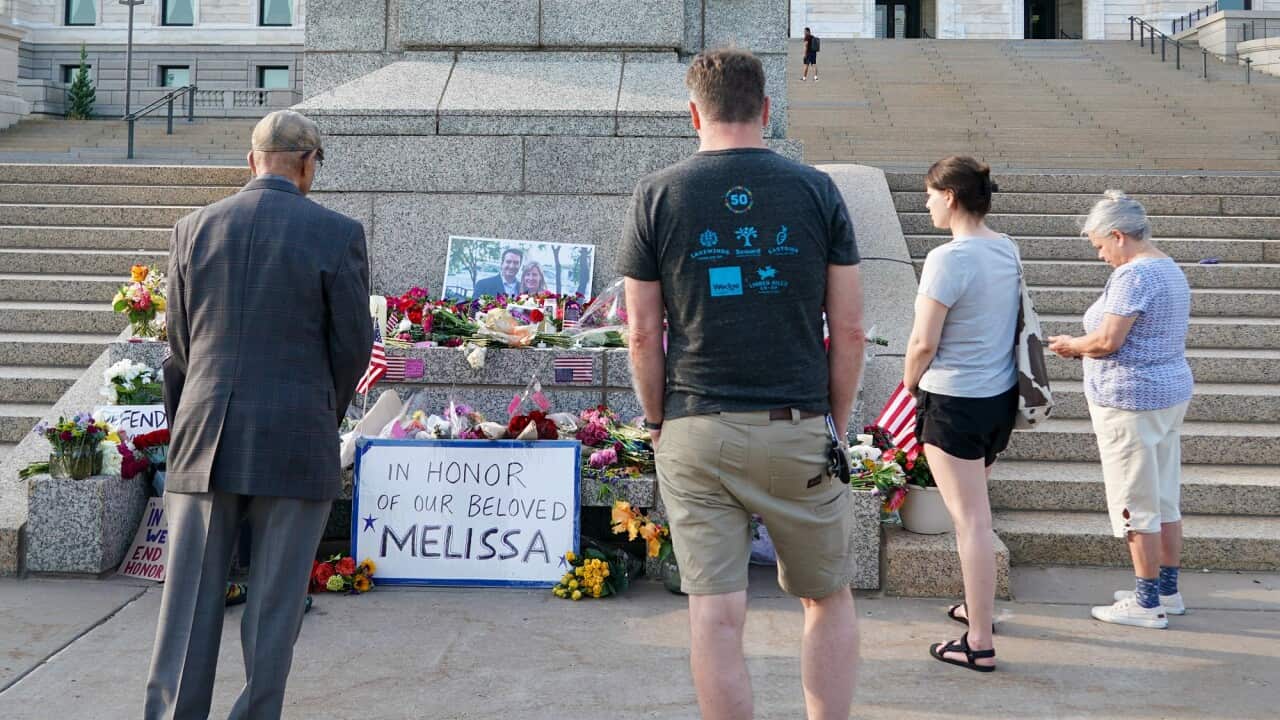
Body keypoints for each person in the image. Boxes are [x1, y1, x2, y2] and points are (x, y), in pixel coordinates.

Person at [618, 48, 864, 719]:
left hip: (697, 426)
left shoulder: (658, 193)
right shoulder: (817, 190)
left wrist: (656, 418)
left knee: (716, 612)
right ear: (765, 110)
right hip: (799, 425)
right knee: (826, 597)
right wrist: (833, 421)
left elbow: (641, 333)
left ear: (693, 113)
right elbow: (848, 330)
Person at [144, 109, 372, 720]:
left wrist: (198, 407)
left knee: (188, 601)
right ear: (308, 165)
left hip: (204, 434)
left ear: (251, 161)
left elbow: (180, 342)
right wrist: (322, 410)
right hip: (296, 437)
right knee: (274, 608)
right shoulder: (337, 233)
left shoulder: (194, 227)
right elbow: (351, 346)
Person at [1048, 191, 1192, 630]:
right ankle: (1166, 589)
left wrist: (1072, 345)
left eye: (1100, 245)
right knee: (1164, 496)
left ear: (1118, 235)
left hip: (1130, 399)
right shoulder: (1169, 268)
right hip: (1167, 394)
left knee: (1135, 502)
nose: (1101, 255)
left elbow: (1108, 341)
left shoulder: (1133, 276)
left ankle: (1146, 603)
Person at [903, 155, 1017, 672]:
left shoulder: (948, 258)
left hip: (953, 401)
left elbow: (925, 341)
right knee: (974, 513)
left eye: (929, 194)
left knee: (971, 521)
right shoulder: (1006, 249)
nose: (926, 203)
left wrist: (908, 386)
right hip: (998, 401)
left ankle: (979, 641)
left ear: (950, 196)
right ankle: (978, 608)